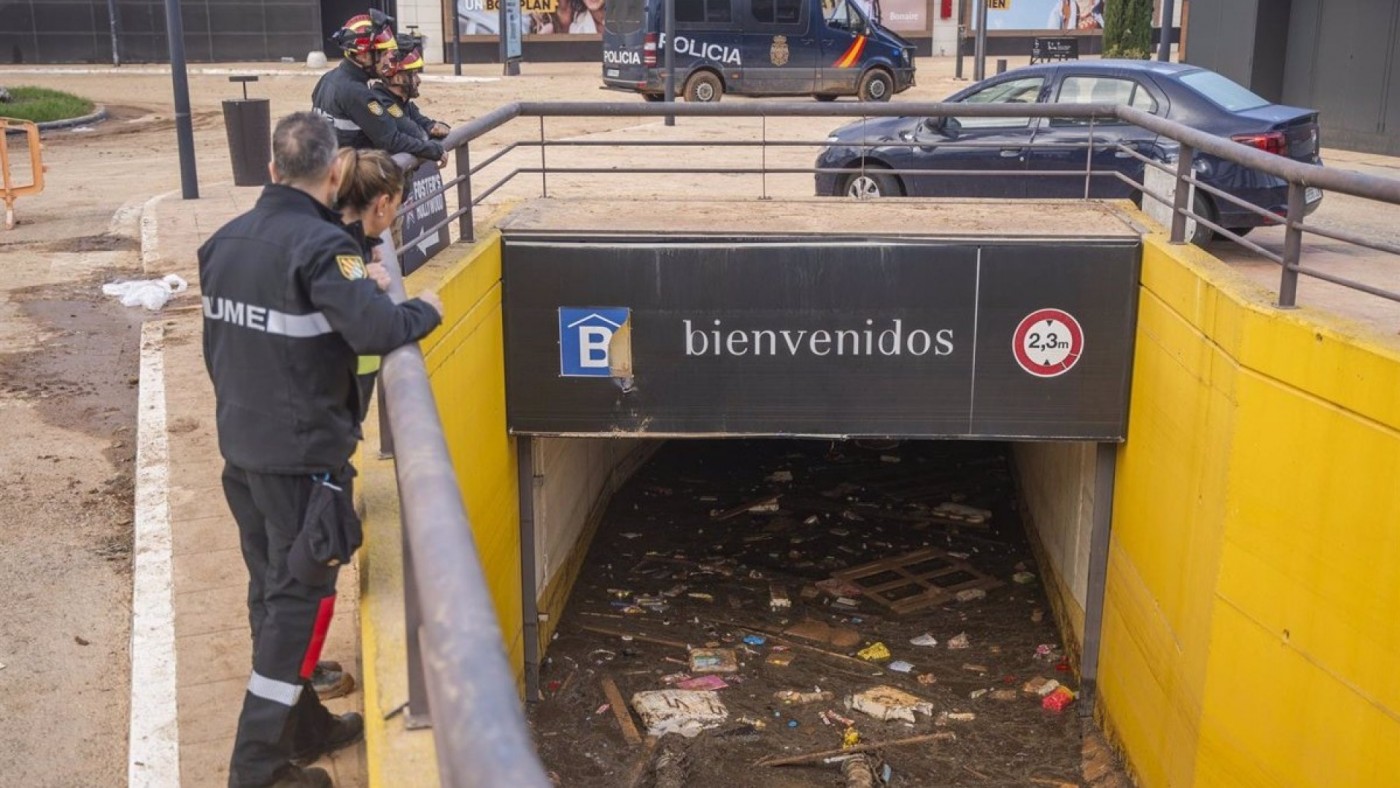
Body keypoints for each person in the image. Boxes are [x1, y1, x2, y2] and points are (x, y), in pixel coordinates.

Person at [200, 112, 443, 788]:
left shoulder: (225, 241)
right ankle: (257, 771)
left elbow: (219, 351)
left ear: (272, 168)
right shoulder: (320, 248)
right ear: (333, 170)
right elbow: (375, 330)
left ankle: (304, 728)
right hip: (301, 462)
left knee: (270, 592)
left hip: (243, 453)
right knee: (294, 608)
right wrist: (426, 310)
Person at [331, 147, 406, 422]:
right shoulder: (338, 248)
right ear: (382, 204)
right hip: (329, 401)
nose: (394, 217)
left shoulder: (337, 232)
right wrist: (362, 280)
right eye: (396, 207)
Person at [311, 11, 446, 164]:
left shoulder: (327, 79)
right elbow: (391, 140)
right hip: (354, 180)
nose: (387, 62)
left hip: (331, 174)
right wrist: (434, 150)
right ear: (363, 56)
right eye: (382, 55)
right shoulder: (358, 93)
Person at [371, 39, 450, 144]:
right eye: (413, 75)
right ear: (397, 79)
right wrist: (430, 132)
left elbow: (425, 123)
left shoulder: (402, 102)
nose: (419, 80)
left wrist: (433, 127)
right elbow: (418, 135)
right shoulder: (384, 102)